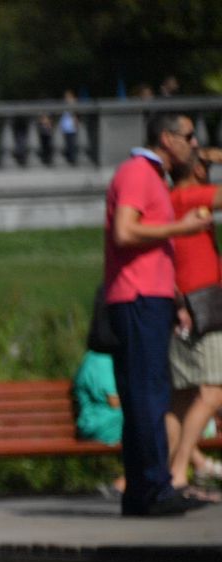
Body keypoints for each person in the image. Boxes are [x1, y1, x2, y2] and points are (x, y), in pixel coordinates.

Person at [102, 111, 211, 516]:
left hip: (152, 298)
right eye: (189, 136)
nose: (195, 144)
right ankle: (153, 488)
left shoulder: (153, 179)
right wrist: (180, 229)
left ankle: (144, 491)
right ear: (166, 138)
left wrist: (177, 297)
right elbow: (125, 232)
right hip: (137, 299)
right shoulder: (137, 173)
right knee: (148, 395)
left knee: (148, 393)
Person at [167, 146, 222, 498]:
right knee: (213, 391)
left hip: (182, 304)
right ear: (200, 170)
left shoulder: (171, 198)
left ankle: (169, 473)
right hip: (202, 306)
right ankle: (178, 472)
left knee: (182, 397)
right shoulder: (191, 196)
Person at [72, 349, 123, 446]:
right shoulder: (100, 361)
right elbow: (114, 401)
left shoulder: (92, 359)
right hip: (99, 426)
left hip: (97, 423)